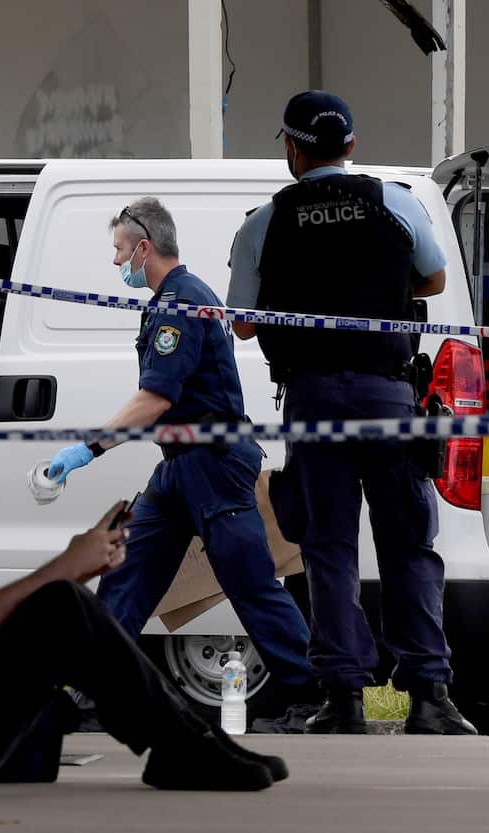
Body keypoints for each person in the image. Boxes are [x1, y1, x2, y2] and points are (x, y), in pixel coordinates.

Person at [0, 394, 286, 789]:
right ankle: (182, 746)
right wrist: (66, 568)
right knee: (59, 603)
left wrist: (82, 565)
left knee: (63, 608)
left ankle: (190, 738)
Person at [227, 90, 476, 735]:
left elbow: (246, 325)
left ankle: (345, 700)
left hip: (313, 403)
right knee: (409, 546)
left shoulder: (264, 222)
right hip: (388, 397)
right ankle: (429, 698)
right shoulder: (394, 201)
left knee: (328, 549)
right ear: (351, 146)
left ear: (291, 148)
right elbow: (435, 280)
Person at [45, 197, 320, 731]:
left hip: (213, 467)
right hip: (179, 467)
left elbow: (155, 399)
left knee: (251, 585)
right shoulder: (172, 299)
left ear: (143, 248)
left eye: (120, 250)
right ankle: (98, 693)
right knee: (127, 572)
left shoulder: (181, 303)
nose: (116, 261)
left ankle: (307, 696)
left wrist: (88, 449)